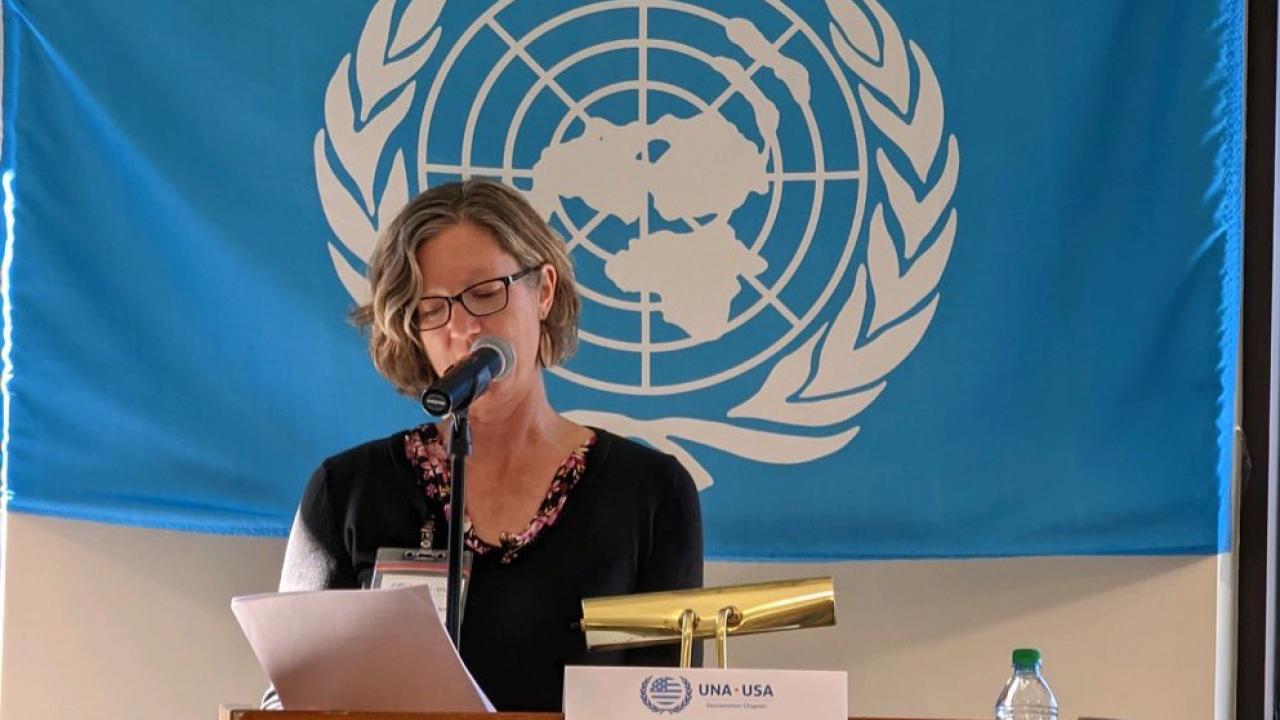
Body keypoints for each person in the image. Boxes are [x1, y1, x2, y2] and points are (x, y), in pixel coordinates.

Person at [274, 178, 704, 712]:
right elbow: (290, 701)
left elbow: (671, 702)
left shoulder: (650, 493)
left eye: (485, 294)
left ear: (543, 291)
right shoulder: (346, 492)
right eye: (433, 309)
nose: (466, 328)